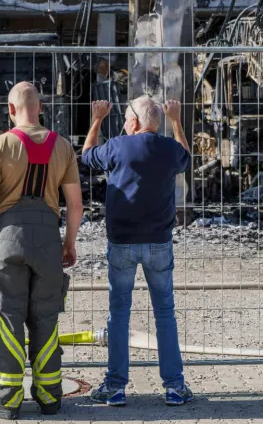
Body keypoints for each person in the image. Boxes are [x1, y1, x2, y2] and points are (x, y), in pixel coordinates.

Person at [0, 82, 82, 420]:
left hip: (7, 240)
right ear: (41, 107)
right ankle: (50, 397)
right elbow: (76, 205)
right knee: (46, 320)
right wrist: (69, 243)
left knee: (7, 319)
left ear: (10, 109)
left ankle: (5, 401)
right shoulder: (63, 146)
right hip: (49, 240)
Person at [80, 96, 195, 407]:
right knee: (165, 314)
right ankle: (174, 386)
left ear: (133, 122)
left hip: (122, 242)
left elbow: (87, 156)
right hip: (159, 242)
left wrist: (97, 119)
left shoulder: (117, 146)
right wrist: (176, 121)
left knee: (119, 314)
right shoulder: (169, 149)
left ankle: (115, 386)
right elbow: (187, 157)